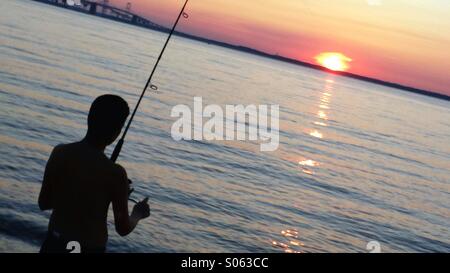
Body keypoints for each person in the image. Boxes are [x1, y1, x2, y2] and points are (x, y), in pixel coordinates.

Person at [38, 94, 150, 253]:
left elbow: (44, 203)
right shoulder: (115, 173)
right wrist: (137, 213)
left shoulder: (60, 152)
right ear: (117, 132)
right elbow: (123, 228)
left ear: (89, 118)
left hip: (53, 244)